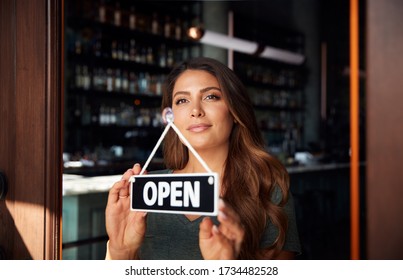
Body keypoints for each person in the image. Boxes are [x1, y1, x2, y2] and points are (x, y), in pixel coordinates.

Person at [105, 57, 301, 260]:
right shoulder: (142, 193)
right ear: (171, 117)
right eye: (182, 100)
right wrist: (121, 252)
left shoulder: (267, 189)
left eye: (211, 97)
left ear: (234, 110)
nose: (195, 111)